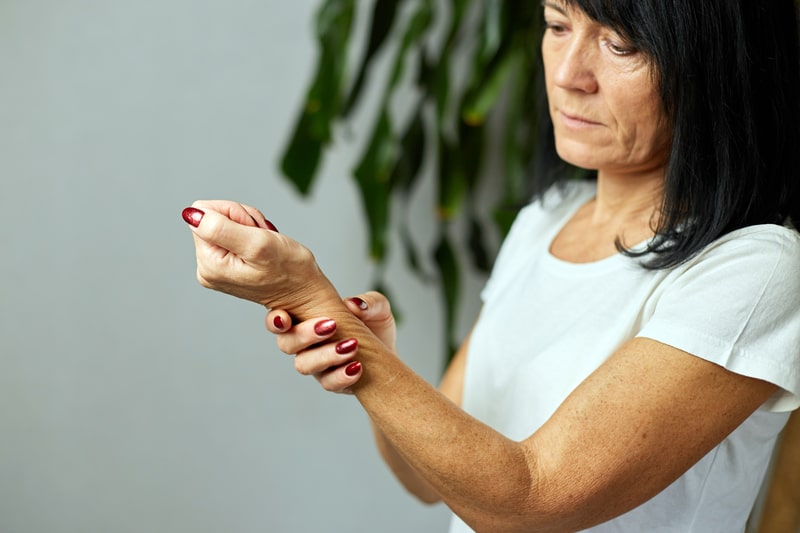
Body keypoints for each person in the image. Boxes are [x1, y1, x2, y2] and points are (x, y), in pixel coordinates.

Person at [181, 0, 800, 530]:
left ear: (719, 65)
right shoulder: (547, 217)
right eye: (557, 24)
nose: (568, 73)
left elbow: (529, 502)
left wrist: (319, 309)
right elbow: (432, 480)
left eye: (621, 43)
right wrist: (373, 355)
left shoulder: (758, 268)